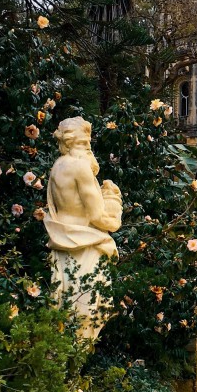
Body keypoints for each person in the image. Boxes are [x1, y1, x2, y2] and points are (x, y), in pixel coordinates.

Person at [44, 117, 122, 340]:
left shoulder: (57, 166)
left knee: (65, 308)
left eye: (88, 145)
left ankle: (65, 366)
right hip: (84, 245)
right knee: (85, 314)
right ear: (73, 143)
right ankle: (73, 367)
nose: (88, 150)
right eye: (84, 144)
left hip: (64, 242)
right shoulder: (80, 167)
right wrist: (114, 202)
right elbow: (100, 218)